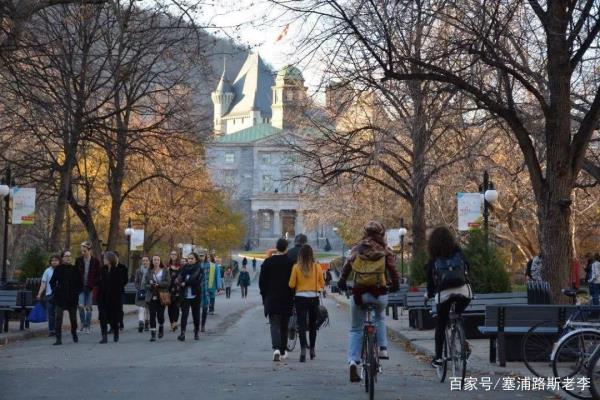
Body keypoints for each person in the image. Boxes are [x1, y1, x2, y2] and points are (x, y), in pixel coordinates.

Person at [337, 221, 399, 381]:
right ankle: (383, 349)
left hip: (359, 292)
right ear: (381, 233)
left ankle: (353, 361)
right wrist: (396, 285)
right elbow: (392, 269)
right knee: (379, 317)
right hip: (379, 292)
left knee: (356, 329)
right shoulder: (385, 249)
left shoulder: (358, 248)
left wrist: (342, 283)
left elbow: (346, 267)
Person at [424, 226, 472, 369]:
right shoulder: (458, 252)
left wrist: (429, 294)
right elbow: (468, 267)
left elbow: (430, 281)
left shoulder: (433, 259)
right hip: (463, 292)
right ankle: (462, 340)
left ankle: (438, 358)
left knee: (441, 323)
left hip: (444, 294)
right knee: (458, 314)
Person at [289, 244, 325, 362]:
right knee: (313, 325)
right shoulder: (316, 267)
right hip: (313, 298)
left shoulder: (296, 267)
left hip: (300, 298)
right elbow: (322, 283)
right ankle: (312, 350)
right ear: (311, 254)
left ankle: (303, 350)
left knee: (302, 325)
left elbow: (291, 284)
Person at [259, 238, 294, 361]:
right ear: (286, 248)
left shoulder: (268, 262)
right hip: (287, 298)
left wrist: (264, 295)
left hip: (272, 298)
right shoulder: (291, 262)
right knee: (284, 325)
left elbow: (261, 282)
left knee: (274, 324)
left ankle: (276, 349)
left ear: (276, 247)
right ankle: (283, 351)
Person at [49, 250, 82, 345]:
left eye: (69, 256)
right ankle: (58, 338)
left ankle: (74, 333)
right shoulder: (58, 269)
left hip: (72, 298)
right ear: (62, 258)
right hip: (60, 297)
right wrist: (55, 290)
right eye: (66, 256)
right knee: (58, 317)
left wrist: (76, 293)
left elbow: (80, 283)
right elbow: (52, 282)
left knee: (73, 319)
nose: (68, 258)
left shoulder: (75, 269)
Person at [97, 251, 128, 343]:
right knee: (102, 316)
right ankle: (104, 336)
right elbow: (99, 282)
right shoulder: (102, 269)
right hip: (103, 297)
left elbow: (121, 284)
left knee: (114, 317)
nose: (103, 260)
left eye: (105, 258)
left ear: (110, 260)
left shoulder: (118, 270)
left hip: (114, 297)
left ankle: (116, 333)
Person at [75, 241, 101, 334]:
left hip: (90, 287)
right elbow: (76, 273)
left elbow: (98, 275)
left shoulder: (95, 261)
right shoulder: (78, 260)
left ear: (89, 250)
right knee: (81, 306)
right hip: (81, 287)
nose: (83, 253)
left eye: (85, 251)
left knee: (89, 307)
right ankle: (82, 323)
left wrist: (93, 284)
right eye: (82, 251)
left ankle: (88, 326)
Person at [177, 252, 203, 341]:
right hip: (185, 295)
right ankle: (182, 333)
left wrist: (186, 283)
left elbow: (197, 280)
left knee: (196, 315)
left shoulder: (199, 268)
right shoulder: (184, 268)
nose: (190, 260)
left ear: (196, 260)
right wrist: (180, 282)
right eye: (189, 258)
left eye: (192, 258)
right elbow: (179, 278)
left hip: (195, 294)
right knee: (184, 314)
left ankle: (196, 332)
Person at [144, 255, 170, 342]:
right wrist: (151, 285)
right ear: (152, 261)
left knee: (160, 315)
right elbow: (145, 284)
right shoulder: (149, 271)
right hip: (151, 295)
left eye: (158, 260)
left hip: (162, 295)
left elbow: (168, 282)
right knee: (152, 314)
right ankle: (153, 334)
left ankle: (161, 326)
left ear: (160, 261)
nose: (156, 261)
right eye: (154, 260)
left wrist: (159, 285)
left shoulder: (165, 271)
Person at [36, 255, 60, 337]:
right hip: (49, 294)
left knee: (58, 313)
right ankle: (51, 330)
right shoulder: (47, 271)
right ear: (50, 262)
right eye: (52, 260)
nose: (54, 262)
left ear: (59, 261)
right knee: (50, 313)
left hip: (59, 295)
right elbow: (43, 283)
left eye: (56, 260)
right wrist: (39, 293)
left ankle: (57, 329)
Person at [112, 251, 129, 333]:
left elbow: (126, 279)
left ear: (118, 257)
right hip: (110, 291)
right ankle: (113, 325)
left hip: (120, 291)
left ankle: (121, 323)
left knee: (119, 308)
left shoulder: (123, 267)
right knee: (111, 309)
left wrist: (121, 284)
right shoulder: (109, 267)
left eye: (115, 257)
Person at [134, 256, 151, 332]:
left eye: (146, 260)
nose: (145, 262)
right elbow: (136, 282)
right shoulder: (138, 271)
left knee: (148, 309)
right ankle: (141, 323)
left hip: (149, 292)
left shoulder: (151, 270)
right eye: (143, 260)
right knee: (141, 308)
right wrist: (139, 288)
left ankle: (147, 322)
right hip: (141, 292)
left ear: (149, 261)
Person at [167, 250, 182, 332]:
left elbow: (182, 276)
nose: (173, 255)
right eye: (172, 254)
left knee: (176, 307)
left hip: (178, 289)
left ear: (177, 256)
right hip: (169, 289)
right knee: (170, 307)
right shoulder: (167, 266)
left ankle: (175, 323)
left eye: (175, 254)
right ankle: (171, 323)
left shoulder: (180, 266)